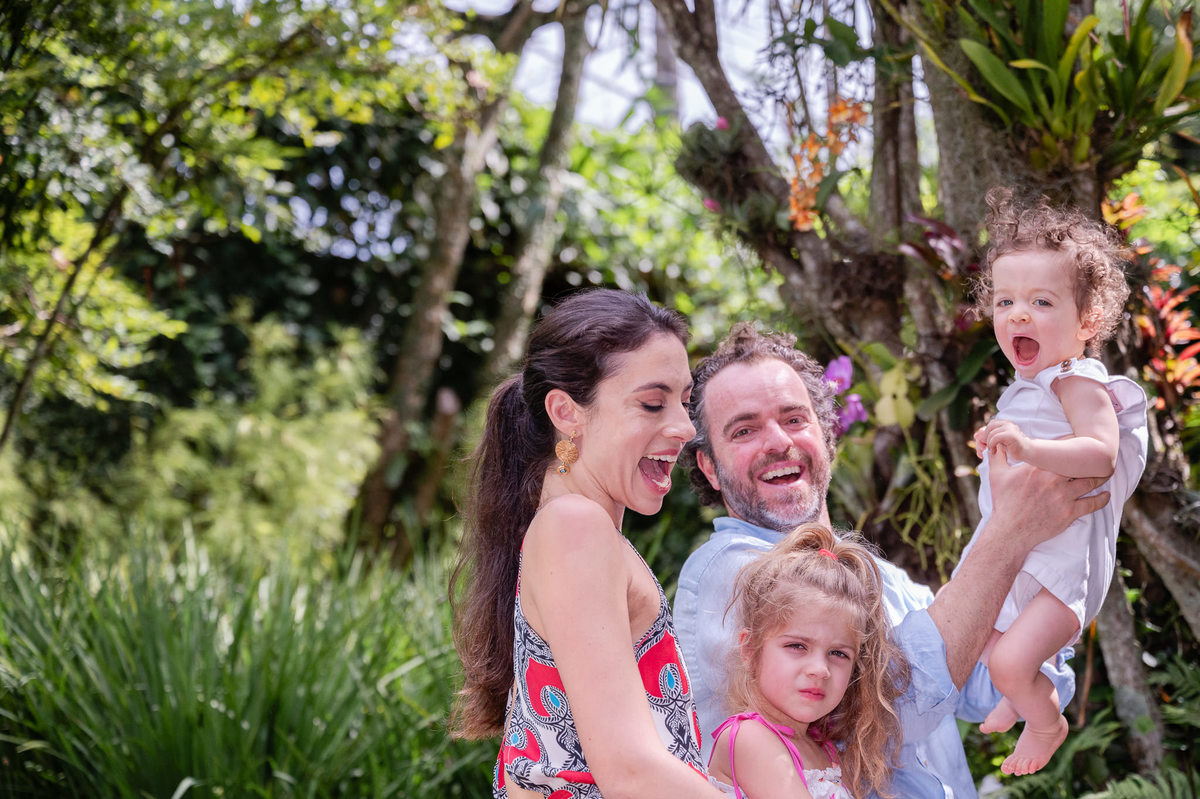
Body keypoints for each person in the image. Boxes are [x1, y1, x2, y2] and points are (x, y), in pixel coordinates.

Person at [674, 322, 1111, 798]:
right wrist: (1007, 535)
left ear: (827, 436)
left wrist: (1056, 547)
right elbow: (889, 710)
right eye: (744, 430)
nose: (778, 441)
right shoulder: (729, 571)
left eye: (795, 419)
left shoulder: (876, 576)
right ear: (710, 468)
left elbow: (986, 693)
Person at [450, 288, 727, 799]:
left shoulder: (575, 528)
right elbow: (629, 769)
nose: (685, 428)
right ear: (567, 412)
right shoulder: (575, 526)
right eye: (651, 403)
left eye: (685, 402)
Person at [956, 188, 1148, 775]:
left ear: (1087, 320)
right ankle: (1019, 695)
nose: (1018, 314)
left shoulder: (1077, 378)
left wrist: (1029, 445)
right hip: (1024, 556)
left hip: (1062, 573)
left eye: (1041, 301)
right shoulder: (1027, 386)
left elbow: (1099, 453)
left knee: (1009, 659)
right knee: (975, 641)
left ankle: (1045, 721)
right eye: (1006, 300)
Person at [708, 524, 909, 799]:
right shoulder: (749, 737)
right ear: (750, 649)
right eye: (797, 646)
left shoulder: (824, 749)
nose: (820, 670)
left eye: (839, 653)